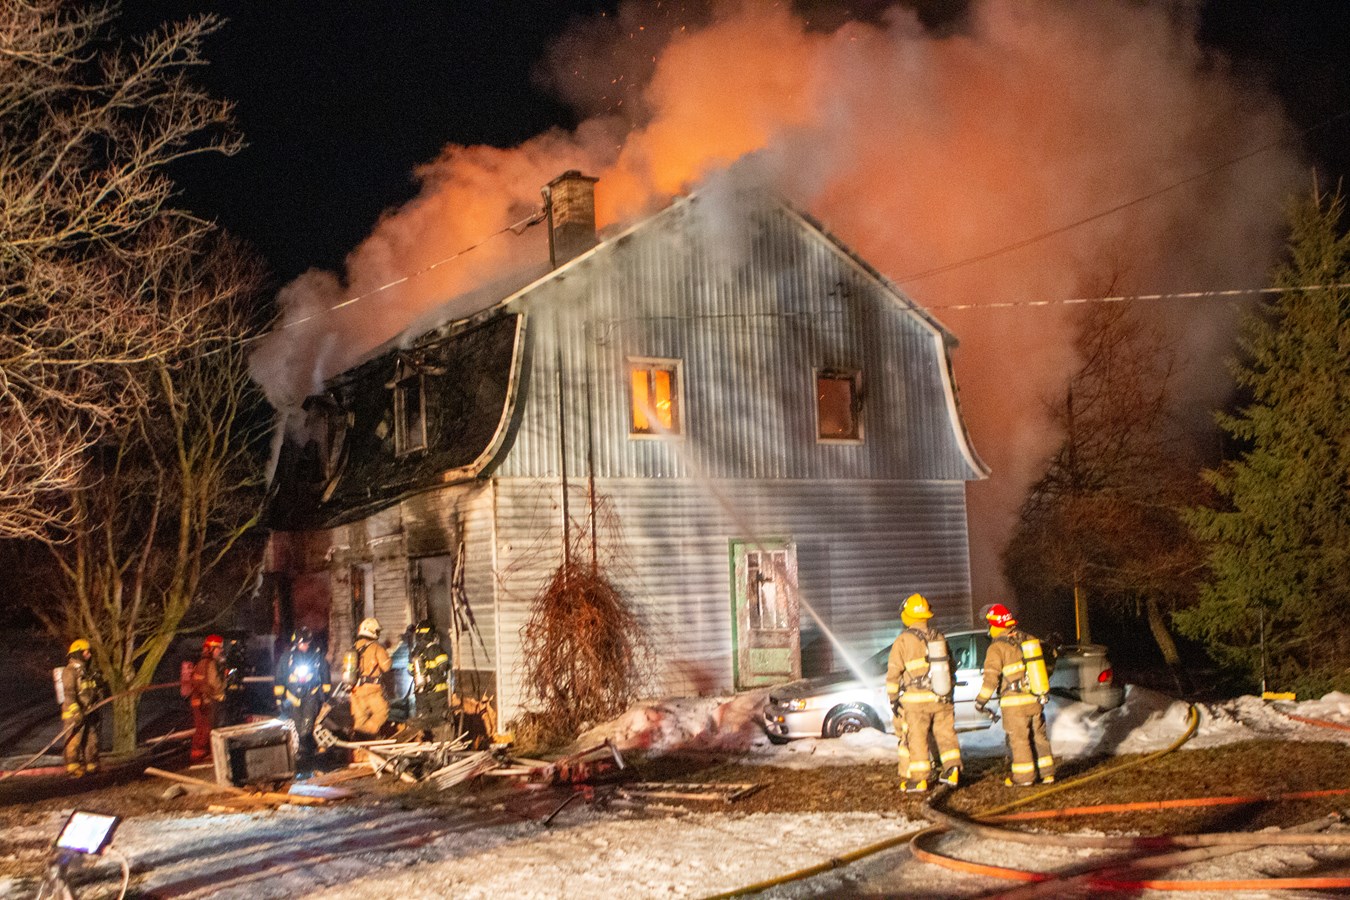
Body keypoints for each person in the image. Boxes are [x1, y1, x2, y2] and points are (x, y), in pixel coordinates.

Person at [885, 593, 962, 792]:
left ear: (907, 616)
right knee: (946, 734)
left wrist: (893, 699)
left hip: (916, 702)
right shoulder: (938, 636)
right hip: (941, 696)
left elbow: (893, 673)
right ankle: (952, 770)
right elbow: (951, 667)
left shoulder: (903, 640)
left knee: (916, 738)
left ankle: (919, 779)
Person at [974, 603, 1056, 787]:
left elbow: (991, 679)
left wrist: (981, 701)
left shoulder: (997, 648)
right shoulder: (1028, 638)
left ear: (994, 625)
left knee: (1019, 740)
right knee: (1039, 737)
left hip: (1014, 703)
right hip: (1034, 697)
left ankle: (1024, 778)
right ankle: (1048, 774)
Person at [274, 627, 331, 769]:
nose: (306, 646)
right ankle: (301, 757)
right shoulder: (287, 657)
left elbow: (325, 673)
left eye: (307, 643)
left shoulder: (316, 655)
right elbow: (280, 678)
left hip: (310, 696)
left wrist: (325, 694)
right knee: (297, 728)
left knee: (306, 727)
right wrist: (279, 699)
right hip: (292, 698)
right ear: (296, 643)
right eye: (303, 643)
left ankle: (307, 756)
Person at [60, 639, 106, 777]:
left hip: (88, 711)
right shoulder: (70, 671)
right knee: (74, 739)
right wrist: (76, 711)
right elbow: (69, 694)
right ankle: (72, 767)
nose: (89, 654)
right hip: (74, 713)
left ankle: (92, 764)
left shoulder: (86, 671)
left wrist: (99, 685)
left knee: (91, 738)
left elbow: (92, 691)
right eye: (85, 652)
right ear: (78, 653)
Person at [347, 617, 392, 738]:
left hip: (355, 691)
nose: (378, 634)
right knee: (382, 713)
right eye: (377, 631)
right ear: (371, 631)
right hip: (372, 690)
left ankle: (359, 744)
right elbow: (386, 667)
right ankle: (370, 735)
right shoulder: (377, 647)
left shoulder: (354, 647)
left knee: (360, 719)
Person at [189, 635, 226, 761]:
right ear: (211, 649)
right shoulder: (209, 664)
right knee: (207, 728)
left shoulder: (201, 663)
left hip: (199, 700)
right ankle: (201, 755)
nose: (220, 651)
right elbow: (215, 685)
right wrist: (225, 680)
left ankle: (200, 754)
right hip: (205, 701)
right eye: (218, 648)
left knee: (202, 727)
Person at [407, 619, 451, 724]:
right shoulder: (436, 649)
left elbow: (410, 671)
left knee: (423, 720)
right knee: (439, 720)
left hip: (421, 693)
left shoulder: (414, 652)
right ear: (431, 634)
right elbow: (443, 667)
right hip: (437, 693)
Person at [218, 637, 249, 728]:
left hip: (232, 688)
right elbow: (235, 670)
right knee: (234, 709)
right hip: (234, 688)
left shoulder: (230, 656)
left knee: (232, 709)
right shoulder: (236, 656)